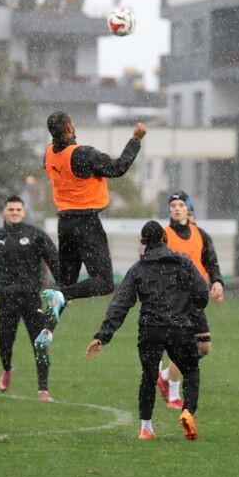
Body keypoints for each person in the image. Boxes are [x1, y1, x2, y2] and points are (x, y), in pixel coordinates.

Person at [85, 221, 209, 441]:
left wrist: (102, 336)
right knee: (191, 371)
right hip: (179, 327)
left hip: (151, 329)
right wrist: (196, 305)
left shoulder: (138, 269)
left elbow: (120, 304)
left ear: (143, 242)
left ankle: (146, 428)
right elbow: (201, 292)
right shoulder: (183, 262)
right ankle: (188, 412)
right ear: (165, 238)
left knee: (149, 377)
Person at [38, 111, 147, 333]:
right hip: (85, 223)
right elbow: (117, 168)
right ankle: (60, 295)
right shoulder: (82, 154)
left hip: (64, 223)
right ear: (69, 129)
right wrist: (135, 140)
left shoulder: (48, 154)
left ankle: (45, 332)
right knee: (104, 283)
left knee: (67, 284)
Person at [0, 196, 63, 402]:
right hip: (7, 298)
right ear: (4, 212)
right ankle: (6, 368)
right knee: (4, 343)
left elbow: (54, 260)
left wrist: (66, 289)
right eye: (11, 209)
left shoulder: (36, 235)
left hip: (31, 298)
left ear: (23, 212)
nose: (14, 212)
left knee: (41, 343)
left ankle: (43, 390)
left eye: (18, 209)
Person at [155, 190, 224, 409]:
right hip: (174, 300)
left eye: (181, 205)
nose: (177, 209)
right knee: (182, 345)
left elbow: (211, 262)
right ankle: (174, 397)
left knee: (204, 348)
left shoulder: (200, 234)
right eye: (173, 206)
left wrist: (217, 281)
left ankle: (165, 376)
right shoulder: (163, 236)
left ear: (188, 209)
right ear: (169, 210)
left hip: (196, 299)